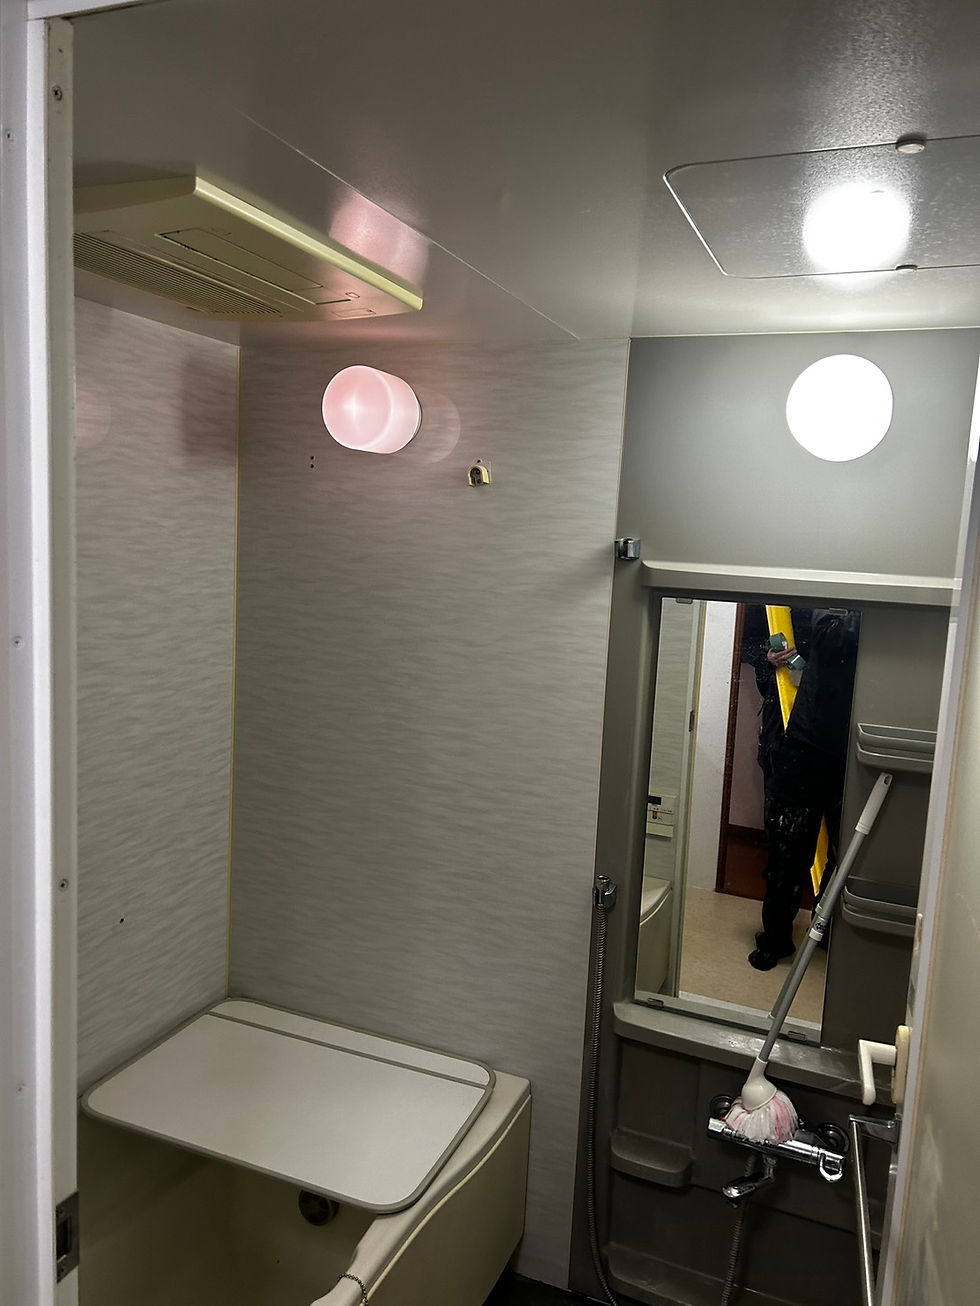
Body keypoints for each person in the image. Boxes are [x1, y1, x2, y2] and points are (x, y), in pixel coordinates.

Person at [745, 608, 859, 971]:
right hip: (790, 732)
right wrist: (765, 656)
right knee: (787, 845)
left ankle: (825, 928)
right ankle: (776, 936)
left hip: (850, 733)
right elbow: (748, 642)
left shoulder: (864, 599)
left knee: (844, 843)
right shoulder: (784, 594)